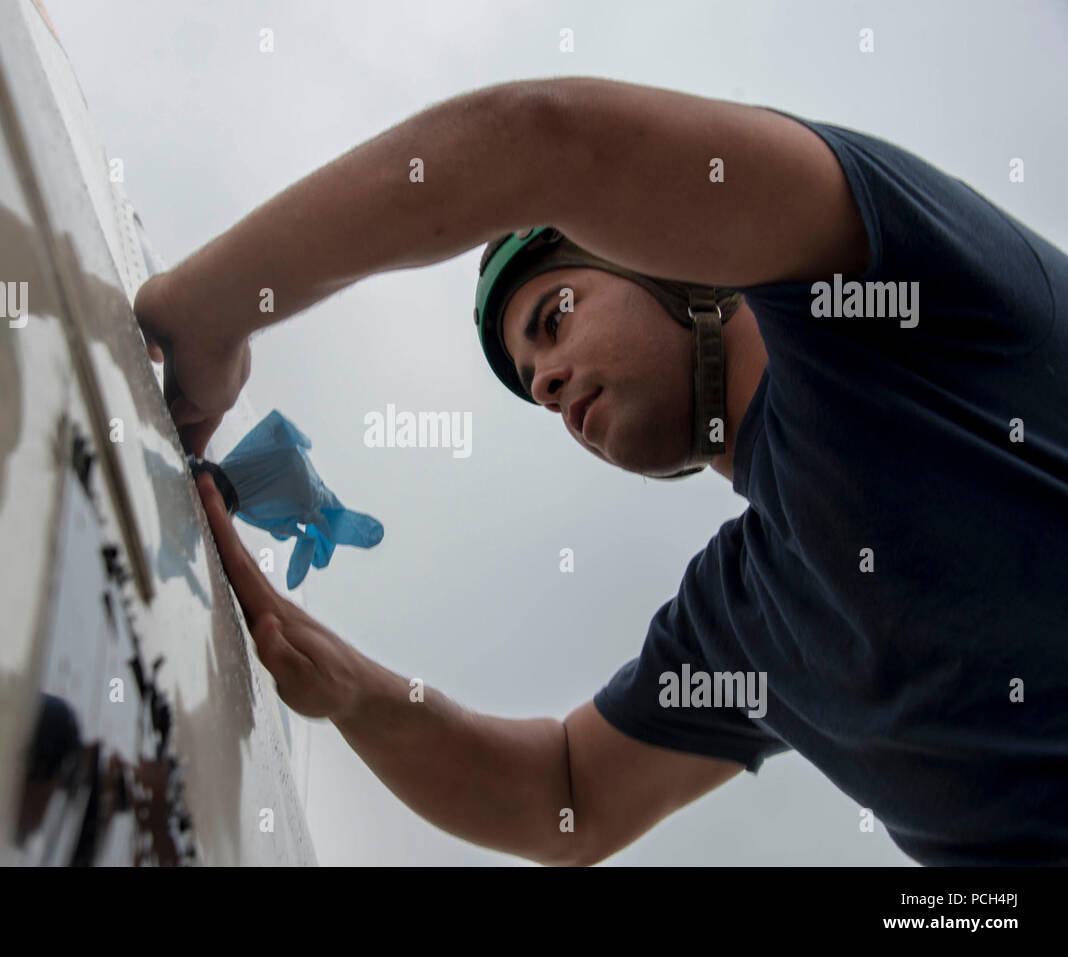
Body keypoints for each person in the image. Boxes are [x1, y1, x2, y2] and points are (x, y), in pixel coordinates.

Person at [134, 77, 1068, 866]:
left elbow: (546, 141)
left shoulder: (887, 303)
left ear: (677, 266)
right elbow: (563, 794)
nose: (544, 380)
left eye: (555, 317)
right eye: (531, 379)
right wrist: (353, 692)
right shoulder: (748, 623)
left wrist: (209, 310)